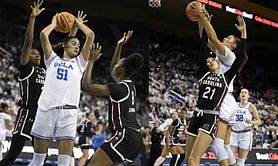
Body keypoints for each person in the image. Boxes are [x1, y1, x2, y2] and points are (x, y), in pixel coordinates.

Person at [28, 10, 94, 166]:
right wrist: (54, 23)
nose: (77, 47)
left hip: (68, 114)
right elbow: (44, 35)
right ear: (64, 45)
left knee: (64, 163)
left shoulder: (79, 64)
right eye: (74, 44)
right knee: (38, 160)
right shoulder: (52, 59)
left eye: (79, 45)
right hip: (46, 110)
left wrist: (77, 23)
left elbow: (90, 35)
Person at [185, 4, 248, 165]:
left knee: (218, 145)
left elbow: (212, 37)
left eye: (228, 39)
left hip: (223, 97)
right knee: (223, 145)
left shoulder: (229, 55)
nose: (224, 39)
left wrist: (204, 17)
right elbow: (205, 38)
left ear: (233, 46)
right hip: (220, 96)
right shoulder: (219, 56)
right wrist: (201, 20)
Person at [82, 30, 144, 166]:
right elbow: (113, 70)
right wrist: (119, 45)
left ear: (121, 71)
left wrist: (90, 61)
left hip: (124, 136)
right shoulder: (129, 86)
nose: (114, 65)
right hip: (135, 137)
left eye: (117, 65)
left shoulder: (118, 88)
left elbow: (86, 86)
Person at [0, 1, 45, 165]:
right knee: (12, 156)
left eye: (39, 54)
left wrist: (72, 32)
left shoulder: (44, 71)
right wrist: (32, 18)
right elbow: (28, 43)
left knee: (41, 157)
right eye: (34, 53)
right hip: (27, 114)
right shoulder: (27, 69)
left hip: (41, 116)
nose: (37, 55)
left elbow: (59, 55)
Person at [230, 88, 261, 166]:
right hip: (234, 133)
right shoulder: (234, 105)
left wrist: (251, 122)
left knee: (240, 162)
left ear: (248, 96)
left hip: (245, 135)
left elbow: (259, 121)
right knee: (229, 158)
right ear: (240, 95)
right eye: (242, 92)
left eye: (245, 92)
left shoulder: (251, 106)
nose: (243, 93)